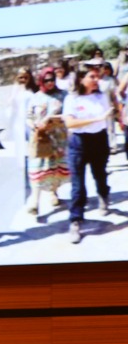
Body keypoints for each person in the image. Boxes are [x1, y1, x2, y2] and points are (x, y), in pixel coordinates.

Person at [62, 62, 116, 244]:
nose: (96, 80)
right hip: (79, 142)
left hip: (99, 140)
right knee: (77, 185)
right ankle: (76, 220)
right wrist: (96, 118)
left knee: (100, 174)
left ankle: (103, 195)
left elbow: (109, 113)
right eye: (92, 77)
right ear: (81, 79)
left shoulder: (101, 96)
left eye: (97, 76)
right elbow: (70, 123)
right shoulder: (72, 99)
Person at [26, 67, 67, 219]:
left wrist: (56, 118)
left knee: (55, 168)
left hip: (58, 138)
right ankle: (35, 202)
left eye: (52, 80)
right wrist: (34, 126)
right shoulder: (35, 97)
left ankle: (53, 193)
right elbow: (28, 116)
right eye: (47, 80)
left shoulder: (63, 95)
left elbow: (69, 113)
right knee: (38, 168)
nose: (50, 83)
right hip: (41, 138)